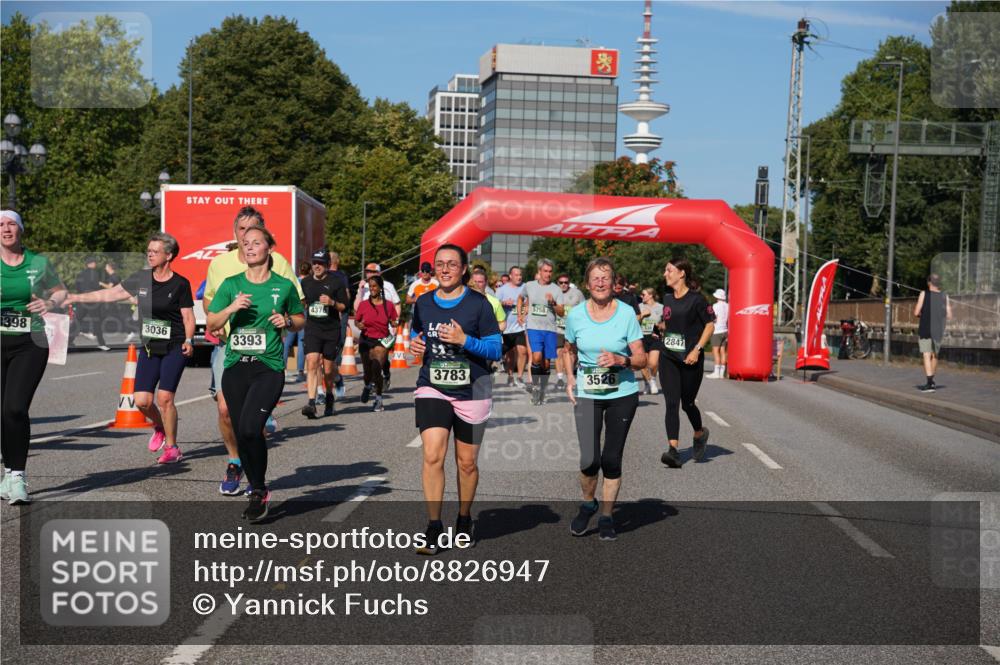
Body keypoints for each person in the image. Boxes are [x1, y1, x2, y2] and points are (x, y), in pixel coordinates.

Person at [66, 232, 195, 464]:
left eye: (155, 251)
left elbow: (187, 316)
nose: (150, 255)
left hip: (175, 346)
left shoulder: (180, 283)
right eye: (148, 251)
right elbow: (112, 294)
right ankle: (160, 426)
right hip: (149, 346)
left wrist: (189, 340)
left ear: (169, 255)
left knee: (165, 398)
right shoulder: (141, 278)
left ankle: (172, 448)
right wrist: (75, 297)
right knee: (142, 400)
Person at [203, 206, 304, 496]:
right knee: (231, 417)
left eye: (255, 238)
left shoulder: (281, 275)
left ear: (268, 245)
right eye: (244, 236)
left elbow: (299, 314)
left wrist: (287, 321)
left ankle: (257, 485)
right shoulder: (225, 273)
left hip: (267, 361)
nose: (248, 243)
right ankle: (238, 464)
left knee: (250, 426)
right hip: (232, 353)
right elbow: (210, 313)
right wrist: (230, 308)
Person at [410, 244, 502, 554]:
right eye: (440, 264)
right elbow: (416, 334)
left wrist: (465, 340)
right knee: (433, 455)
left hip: (473, 390)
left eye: (452, 264)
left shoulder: (479, 304)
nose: (445, 269)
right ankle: (433, 526)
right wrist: (415, 345)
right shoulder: (424, 302)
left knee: (466, 463)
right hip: (432, 386)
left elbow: (495, 349)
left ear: (463, 269)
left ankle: (463, 519)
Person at [563, 257, 646, 541]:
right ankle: (589, 503)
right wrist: (570, 379)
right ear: (587, 284)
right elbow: (568, 349)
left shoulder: (626, 313)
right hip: (587, 392)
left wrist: (621, 359)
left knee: (611, 458)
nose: (600, 283)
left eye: (606, 277)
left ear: (613, 283)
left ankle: (607, 515)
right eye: (595, 278)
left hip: (622, 393)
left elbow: (641, 358)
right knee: (589, 460)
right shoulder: (575, 315)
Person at [1, 210, 68, 504]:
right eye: (0, 225)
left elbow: (60, 292)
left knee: (15, 408)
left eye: (11, 224)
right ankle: (7, 472)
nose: (6, 229)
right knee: (2, 412)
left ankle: (17, 476)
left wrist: (49, 302)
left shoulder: (38, 263)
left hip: (31, 341)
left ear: (21, 229)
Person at [658, 258, 715, 468]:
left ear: (681, 273)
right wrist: (658, 330)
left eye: (669, 270)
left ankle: (699, 433)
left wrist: (697, 349)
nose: (665, 274)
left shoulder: (697, 299)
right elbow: (669, 323)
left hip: (691, 359)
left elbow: (709, 325)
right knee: (672, 403)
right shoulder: (667, 298)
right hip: (669, 357)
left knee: (687, 403)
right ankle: (673, 450)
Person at [300, 249, 349, 418]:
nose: (317, 266)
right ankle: (311, 402)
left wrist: (332, 302)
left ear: (327, 265)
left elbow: (344, 306)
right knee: (312, 362)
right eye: (314, 263)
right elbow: (301, 302)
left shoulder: (336, 282)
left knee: (328, 369)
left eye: (320, 263)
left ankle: (329, 397)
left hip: (331, 330)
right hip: (313, 328)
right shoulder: (305, 282)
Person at [517, 258, 564, 405]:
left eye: (550, 271)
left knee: (546, 363)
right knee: (536, 356)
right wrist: (520, 314)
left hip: (550, 329)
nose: (548, 274)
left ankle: (543, 389)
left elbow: (562, 312)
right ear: (539, 271)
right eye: (545, 271)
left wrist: (553, 303)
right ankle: (535, 388)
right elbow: (520, 298)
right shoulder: (529, 285)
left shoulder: (556, 289)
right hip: (533, 327)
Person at [355, 274, 398, 412]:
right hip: (366, 339)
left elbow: (394, 320)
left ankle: (378, 399)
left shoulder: (388, 305)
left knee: (376, 368)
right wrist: (359, 325)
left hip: (381, 340)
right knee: (367, 371)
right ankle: (367, 385)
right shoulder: (363, 304)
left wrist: (394, 322)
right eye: (370, 286)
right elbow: (356, 320)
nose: (372, 289)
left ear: (380, 288)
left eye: (375, 286)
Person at [914, 273, 952, 392]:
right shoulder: (944, 296)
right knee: (935, 355)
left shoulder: (923, 294)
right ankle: (931, 381)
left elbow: (916, 312)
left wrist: (923, 314)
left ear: (929, 282)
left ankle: (929, 383)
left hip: (926, 328)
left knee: (926, 354)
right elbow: (949, 315)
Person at [496, 266, 528, 388]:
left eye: (520, 275)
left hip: (521, 326)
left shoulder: (525, 288)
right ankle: (510, 376)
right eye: (516, 275)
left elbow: (531, 301)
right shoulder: (502, 290)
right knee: (509, 354)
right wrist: (503, 303)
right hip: (507, 327)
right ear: (510, 276)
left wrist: (526, 306)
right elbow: (495, 304)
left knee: (522, 351)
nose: (519, 277)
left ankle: (520, 377)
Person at [554, 273, 584, 390]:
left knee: (572, 353)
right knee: (558, 353)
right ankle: (560, 379)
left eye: (566, 282)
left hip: (573, 329)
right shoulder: (554, 293)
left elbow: (584, 309)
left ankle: (570, 376)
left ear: (569, 283)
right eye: (561, 282)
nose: (563, 284)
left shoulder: (577, 293)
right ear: (557, 283)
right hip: (557, 328)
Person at [74, 255, 110, 350]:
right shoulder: (95, 273)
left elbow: (77, 286)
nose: (96, 264)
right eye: (94, 262)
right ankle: (101, 343)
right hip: (93, 300)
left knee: (77, 320)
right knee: (96, 321)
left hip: (82, 299)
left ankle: (69, 341)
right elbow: (96, 287)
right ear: (91, 263)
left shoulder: (80, 274)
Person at [283, 262, 310, 384]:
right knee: (301, 342)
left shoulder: (294, 281)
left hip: (292, 311)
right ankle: (300, 371)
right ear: (310, 271)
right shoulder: (309, 282)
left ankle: (283, 369)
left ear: (299, 270)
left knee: (287, 342)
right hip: (304, 312)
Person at [328, 251, 351, 399]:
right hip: (322, 317)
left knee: (336, 346)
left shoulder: (341, 276)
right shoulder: (321, 276)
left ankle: (336, 378)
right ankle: (319, 393)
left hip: (339, 313)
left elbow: (346, 295)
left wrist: (340, 306)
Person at [638, 287, 664, 394]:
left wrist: (661, 326)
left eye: (643, 294)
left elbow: (666, 322)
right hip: (642, 337)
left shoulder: (661, 307)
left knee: (653, 363)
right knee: (643, 364)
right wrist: (642, 315)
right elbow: (633, 321)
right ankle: (647, 383)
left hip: (655, 337)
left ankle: (652, 380)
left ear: (651, 295)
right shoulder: (639, 306)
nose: (641, 296)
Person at [471, 268, 506, 332]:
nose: (476, 284)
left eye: (480, 282)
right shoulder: (463, 298)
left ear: (486, 283)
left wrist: (490, 332)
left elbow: (502, 324)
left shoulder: (495, 301)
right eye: (474, 281)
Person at [707, 288, 729, 379]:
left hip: (717, 331)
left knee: (715, 351)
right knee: (723, 351)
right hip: (725, 330)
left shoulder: (715, 306)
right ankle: (721, 373)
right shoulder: (728, 306)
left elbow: (714, 318)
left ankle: (716, 372)